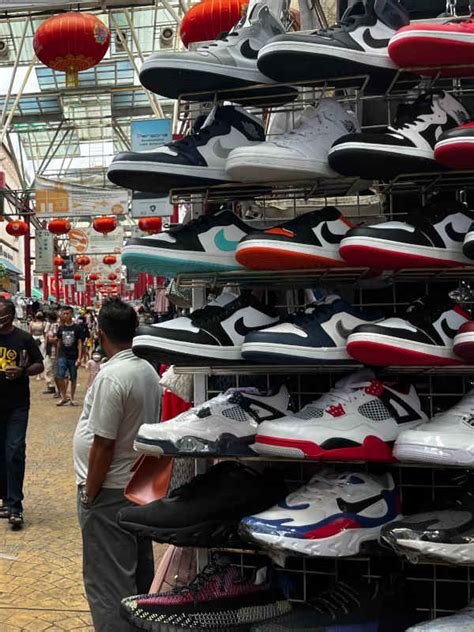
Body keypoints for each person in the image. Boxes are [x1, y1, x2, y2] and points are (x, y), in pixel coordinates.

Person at [73, 298, 160, 631]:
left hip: (109, 491)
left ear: (100, 332)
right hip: (134, 485)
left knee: (108, 585)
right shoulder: (146, 369)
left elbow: (104, 444)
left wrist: (89, 494)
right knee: (136, 576)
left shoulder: (114, 376)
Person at [0, 299, 44, 528]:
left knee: (14, 450)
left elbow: (40, 364)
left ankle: (15, 507)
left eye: (2, 316)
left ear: (10, 316)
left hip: (17, 405)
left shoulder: (23, 338)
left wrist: (23, 371)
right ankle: (6, 500)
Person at [56, 306, 83, 407]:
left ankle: (72, 398)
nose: (65, 315)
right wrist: (57, 356)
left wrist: (79, 358)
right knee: (60, 375)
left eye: (67, 313)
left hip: (73, 356)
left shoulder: (77, 328)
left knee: (73, 378)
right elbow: (58, 342)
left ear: (71, 314)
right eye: (64, 313)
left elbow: (80, 343)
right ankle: (64, 397)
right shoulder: (61, 328)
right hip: (63, 355)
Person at [43, 311, 59, 396]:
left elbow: (56, 339)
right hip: (50, 350)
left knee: (49, 368)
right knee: (49, 368)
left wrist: (49, 339)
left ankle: (52, 386)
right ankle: (51, 386)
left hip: (53, 350)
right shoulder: (51, 326)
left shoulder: (54, 326)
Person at [29, 310, 46, 381]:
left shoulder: (43, 323)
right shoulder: (31, 323)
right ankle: (37, 373)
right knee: (35, 355)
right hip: (35, 338)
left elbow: (44, 333)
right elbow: (30, 332)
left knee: (41, 355)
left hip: (41, 339)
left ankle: (39, 373)